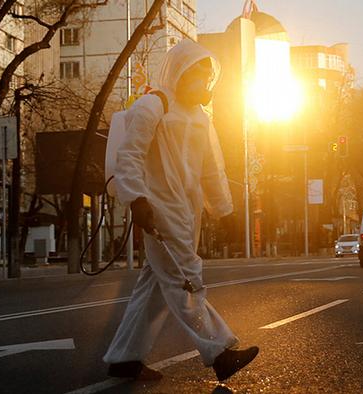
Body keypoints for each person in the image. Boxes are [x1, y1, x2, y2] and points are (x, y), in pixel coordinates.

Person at [102, 39, 259, 381]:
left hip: (187, 212)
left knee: (155, 286)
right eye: (198, 77)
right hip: (158, 209)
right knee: (186, 278)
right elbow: (129, 156)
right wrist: (137, 199)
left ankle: (124, 358)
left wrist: (225, 212)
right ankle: (219, 352)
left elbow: (211, 169)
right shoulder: (153, 105)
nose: (206, 85)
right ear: (180, 74)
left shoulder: (201, 118)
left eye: (208, 78)